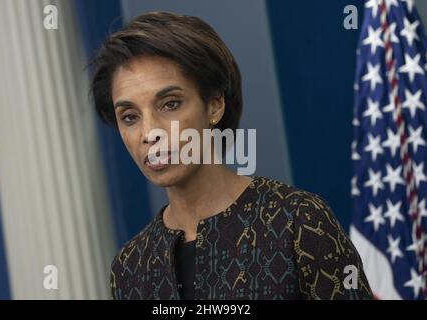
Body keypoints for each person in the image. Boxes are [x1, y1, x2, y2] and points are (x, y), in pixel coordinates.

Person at [90, 11, 372, 300]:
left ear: (214, 105)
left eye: (170, 104)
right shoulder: (129, 267)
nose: (149, 133)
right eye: (129, 116)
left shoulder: (299, 222)